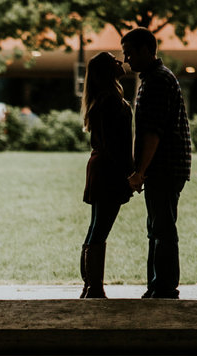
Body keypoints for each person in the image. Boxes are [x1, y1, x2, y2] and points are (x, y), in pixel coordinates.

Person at [121, 28, 192, 299]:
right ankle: (156, 285)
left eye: (129, 53)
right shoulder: (156, 78)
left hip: (164, 167)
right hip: (167, 166)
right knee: (157, 227)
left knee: (161, 228)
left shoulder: (157, 82)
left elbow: (153, 132)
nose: (126, 60)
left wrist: (140, 172)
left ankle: (163, 287)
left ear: (146, 50)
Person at [79, 52, 135, 299]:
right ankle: (94, 287)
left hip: (99, 167)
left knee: (95, 227)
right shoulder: (112, 101)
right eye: (113, 59)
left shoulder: (102, 99)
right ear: (106, 70)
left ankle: (89, 285)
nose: (119, 61)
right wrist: (130, 175)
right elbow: (117, 145)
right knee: (100, 229)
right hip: (109, 170)